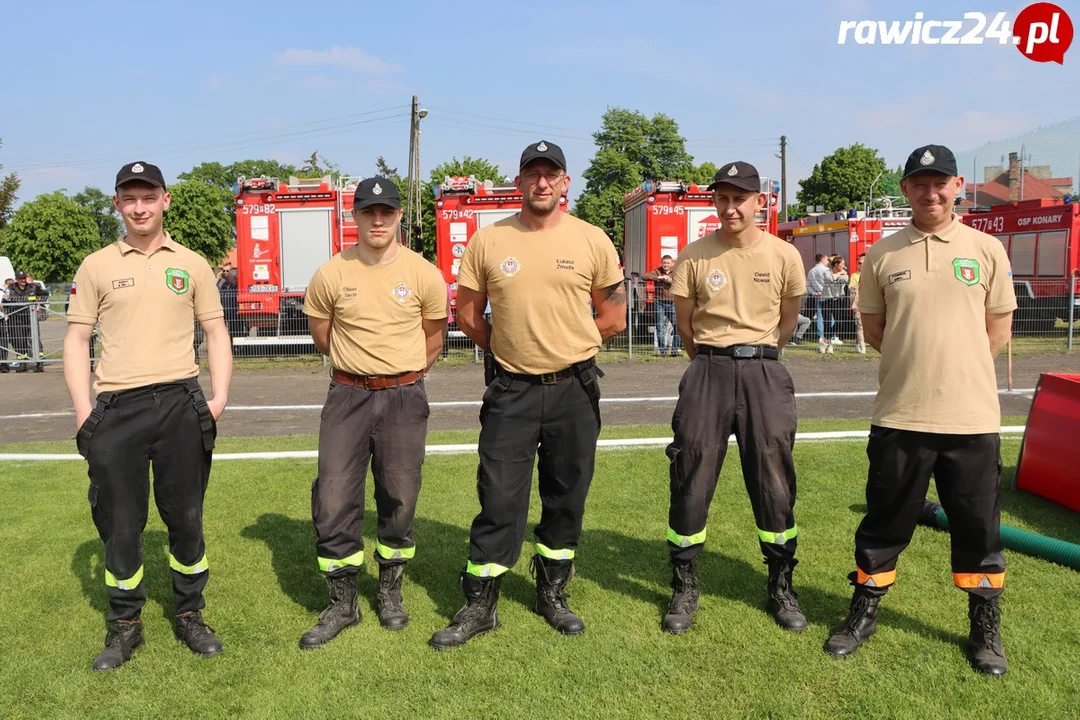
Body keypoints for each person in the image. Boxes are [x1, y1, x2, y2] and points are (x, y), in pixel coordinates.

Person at [823, 144, 1017, 677]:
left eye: (940, 182)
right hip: (900, 417)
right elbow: (876, 331)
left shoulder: (985, 250)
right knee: (884, 524)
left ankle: (984, 628)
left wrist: (958, 368)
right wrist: (920, 366)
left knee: (979, 530)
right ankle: (863, 614)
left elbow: (997, 329)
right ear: (906, 189)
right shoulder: (882, 254)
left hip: (971, 419)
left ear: (956, 186)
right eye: (919, 183)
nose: (930, 192)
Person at [428, 140, 626, 649]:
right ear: (519, 183)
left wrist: (569, 343)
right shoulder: (488, 241)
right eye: (532, 174)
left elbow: (614, 316)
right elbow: (469, 314)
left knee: (566, 495)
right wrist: (510, 346)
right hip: (511, 390)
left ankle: (552, 592)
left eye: (551, 174)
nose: (541, 182)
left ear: (565, 183)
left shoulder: (592, 239)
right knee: (498, 496)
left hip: (574, 389)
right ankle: (480, 603)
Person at [63, 161, 233, 671]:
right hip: (116, 407)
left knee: (185, 517)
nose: (139, 207)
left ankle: (189, 613)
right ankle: (125, 625)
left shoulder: (194, 264)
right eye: (129, 197)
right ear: (117, 203)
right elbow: (75, 339)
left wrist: (218, 396)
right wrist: (82, 411)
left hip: (182, 402)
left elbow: (217, 331)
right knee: (121, 522)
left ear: (165, 200)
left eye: (148, 196)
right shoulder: (95, 266)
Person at [299, 177, 448, 649]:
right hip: (346, 395)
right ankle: (343, 601)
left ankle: (389, 590)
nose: (378, 220)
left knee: (400, 493)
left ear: (399, 215)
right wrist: (360, 369)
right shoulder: (330, 273)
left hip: (404, 395)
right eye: (368, 211)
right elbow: (322, 333)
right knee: (334, 495)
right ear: (355, 216)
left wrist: (398, 374)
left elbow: (433, 337)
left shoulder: (423, 273)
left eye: (386, 211)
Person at [661, 161, 808, 635]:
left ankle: (781, 583)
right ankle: (684, 585)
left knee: (774, 477)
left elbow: (788, 321)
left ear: (759, 202)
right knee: (692, 475)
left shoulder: (784, 255)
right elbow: (685, 325)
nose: (730, 207)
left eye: (739, 198)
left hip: (764, 370)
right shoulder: (695, 255)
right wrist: (713, 359)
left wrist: (759, 354)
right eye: (722, 198)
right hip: (708, 370)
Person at [643, 255, 681, 356]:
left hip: (672, 301)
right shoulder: (657, 271)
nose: (666, 265)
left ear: (672, 263)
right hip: (659, 302)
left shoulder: (676, 271)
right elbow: (644, 276)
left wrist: (670, 281)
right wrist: (658, 278)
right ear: (661, 263)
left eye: (668, 263)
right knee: (660, 326)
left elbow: (681, 282)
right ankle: (663, 351)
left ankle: (674, 350)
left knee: (678, 326)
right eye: (664, 263)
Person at [806, 253, 834, 353]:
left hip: (817, 294)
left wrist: (814, 293)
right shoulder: (826, 270)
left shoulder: (811, 271)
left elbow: (808, 285)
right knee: (830, 316)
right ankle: (831, 336)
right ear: (822, 259)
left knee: (820, 316)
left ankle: (821, 336)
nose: (828, 261)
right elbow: (831, 281)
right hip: (827, 294)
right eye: (827, 259)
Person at [821, 255, 849, 352]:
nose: (844, 266)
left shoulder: (844, 274)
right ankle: (827, 344)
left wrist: (840, 275)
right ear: (836, 265)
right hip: (826, 299)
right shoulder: (826, 272)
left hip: (837, 299)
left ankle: (827, 339)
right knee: (827, 322)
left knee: (839, 321)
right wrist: (840, 273)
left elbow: (844, 279)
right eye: (842, 264)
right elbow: (830, 279)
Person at [849, 253, 866, 354]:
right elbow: (851, 287)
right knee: (860, 325)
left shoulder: (871, 275)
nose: (861, 265)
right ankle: (861, 344)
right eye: (859, 263)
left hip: (870, 303)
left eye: (864, 263)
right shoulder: (854, 276)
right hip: (859, 303)